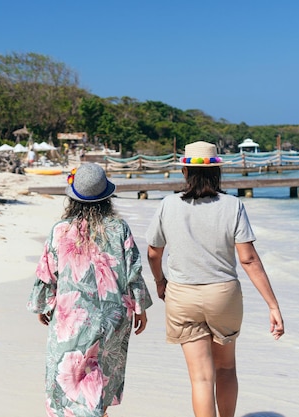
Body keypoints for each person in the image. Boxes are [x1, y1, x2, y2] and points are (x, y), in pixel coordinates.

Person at [145, 141, 284, 417]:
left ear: (185, 172)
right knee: (226, 368)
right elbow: (248, 259)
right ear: (217, 172)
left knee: (201, 378)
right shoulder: (232, 205)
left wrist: (160, 282)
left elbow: (153, 253)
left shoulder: (168, 205)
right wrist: (273, 305)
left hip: (182, 295)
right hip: (223, 295)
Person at [28, 163, 153, 417]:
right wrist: (140, 308)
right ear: (107, 197)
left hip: (71, 320)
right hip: (112, 320)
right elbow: (133, 271)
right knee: (100, 384)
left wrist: (43, 304)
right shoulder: (119, 228)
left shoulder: (60, 230)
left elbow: (48, 273)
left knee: (68, 386)